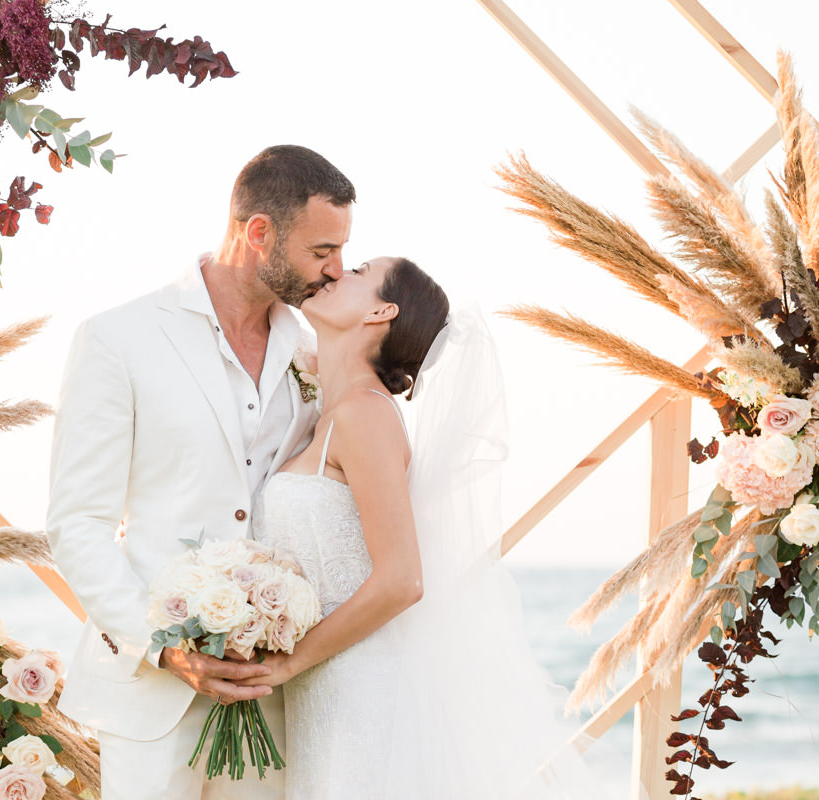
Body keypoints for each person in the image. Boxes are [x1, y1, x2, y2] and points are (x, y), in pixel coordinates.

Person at [47, 144, 354, 799]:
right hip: (150, 696)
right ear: (260, 233)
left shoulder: (314, 353)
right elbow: (78, 525)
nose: (337, 270)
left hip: (275, 695)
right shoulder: (117, 338)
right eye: (322, 251)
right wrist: (166, 647)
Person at [244, 256, 613, 798]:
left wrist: (288, 663)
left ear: (381, 310)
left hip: (365, 692)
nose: (335, 272)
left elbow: (402, 580)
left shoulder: (364, 414)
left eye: (359, 271)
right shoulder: (331, 409)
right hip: (325, 693)